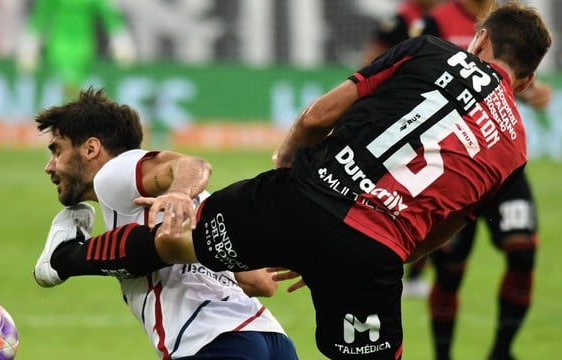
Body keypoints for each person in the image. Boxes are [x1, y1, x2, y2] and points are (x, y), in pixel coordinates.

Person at [32, 3, 552, 359]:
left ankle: (64, 260)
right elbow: (445, 230)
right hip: (375, 253)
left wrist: (285, 169)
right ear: (527, 80)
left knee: (173, 239)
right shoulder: (514, 150)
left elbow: (317, 115)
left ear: (479, 38)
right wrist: (388, 251)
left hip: (307, 195)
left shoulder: (431, 50)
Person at [33, 88, 298, 359]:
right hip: (270, 339)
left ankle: (63, 257)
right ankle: (64, 258)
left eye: (57, 151)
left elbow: (191, 164)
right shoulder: (194, 205)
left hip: (209, 342)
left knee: (160, 245)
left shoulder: (116, 172)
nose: (50, 167)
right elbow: (261, 283)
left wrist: (181, 193)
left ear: (91, 148)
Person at [415, 1, 549, 358]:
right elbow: (417, 75)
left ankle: (502, 351)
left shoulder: (508, 24)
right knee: (450, 269)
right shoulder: (435, 21)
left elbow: (519, 80)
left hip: (502, 162)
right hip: (457, 164)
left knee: (523, 253)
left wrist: (531, 92)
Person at [360, 0, 441, 299]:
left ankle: (417, 273)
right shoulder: (400, 21)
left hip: (433, 120)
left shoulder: (445, 19)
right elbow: (369, 62)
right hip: (397, 117)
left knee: (425, 194)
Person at [17, 0, 136, 99]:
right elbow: (40, 16)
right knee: (65, 90)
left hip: (80, 51)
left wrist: (122, 44)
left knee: (72, 92)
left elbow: (109, 15)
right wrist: (28, 49)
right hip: (61, 50)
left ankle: (67, 120)